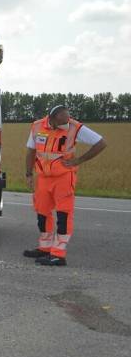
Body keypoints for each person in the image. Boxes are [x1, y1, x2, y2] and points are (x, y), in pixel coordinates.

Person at [23, 105, 107, 266]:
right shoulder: (37, 126)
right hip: (43, 178)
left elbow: (101, 143)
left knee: (63, 216)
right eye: (63, 121)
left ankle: (58, 254)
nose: (67, 123)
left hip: (64, 178)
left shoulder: (74, 127)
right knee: (42, 214)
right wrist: (28, 174)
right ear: (53, 119)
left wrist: (79, 160)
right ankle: (45, 248)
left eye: (68, 119)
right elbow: (30, 151)